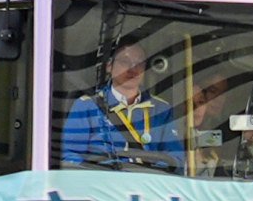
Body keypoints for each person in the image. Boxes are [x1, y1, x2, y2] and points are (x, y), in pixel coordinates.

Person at [58, 41, 184, 171]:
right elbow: (69, 156)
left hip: (147, 187)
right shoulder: (87, 106)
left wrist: (153, 173)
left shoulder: (161, 109)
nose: (133, 69)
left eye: (139, 63)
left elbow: (176, 159)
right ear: (109, 66)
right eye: (125, 61)